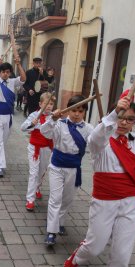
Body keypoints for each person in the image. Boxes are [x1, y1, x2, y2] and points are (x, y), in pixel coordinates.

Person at [63, 92, 135, 267]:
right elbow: (95, 138)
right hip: (104, 201)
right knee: (94, 247)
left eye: (130, 119)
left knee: (122, 254)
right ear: (113, 115)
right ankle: (78, 256)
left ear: (134, 122)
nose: (123, 123)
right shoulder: (101, 142)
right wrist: (114, 113)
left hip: (130, 203)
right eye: (120, 117)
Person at [40, 95, 94, 245]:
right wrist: (52, 119)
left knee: (67, 199)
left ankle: (60, 221)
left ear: (84, 112)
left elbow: (97, 143)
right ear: (68, 110)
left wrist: (103, 129)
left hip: (74, 169)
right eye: (74, 110)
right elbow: (44, 132)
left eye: (80, 111)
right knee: (55, 198)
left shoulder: (89, 129)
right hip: (57, 166)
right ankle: (51, 231)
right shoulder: (60, 124)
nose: (77, 114)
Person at [0, 58, 26, 177]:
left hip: (8, 116)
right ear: (0, 72)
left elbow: (23, 79)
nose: (5, 74)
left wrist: (19, 64)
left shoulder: (13, 82)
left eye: (7, 72)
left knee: (2, 141)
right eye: (3, 71)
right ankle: (0, 166)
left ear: (10, 73)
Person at [20, 92, 55, 211]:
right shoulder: (34, 115)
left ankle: (37, 188)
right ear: (40, 104)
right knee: (33, 173)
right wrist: (31, 123)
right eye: (46, 103)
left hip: (47, 148)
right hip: (34, 148)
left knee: (42, 171)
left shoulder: (53, 117)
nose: (49, 106)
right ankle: (30, 199)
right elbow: (22, 128)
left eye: (51, 104)